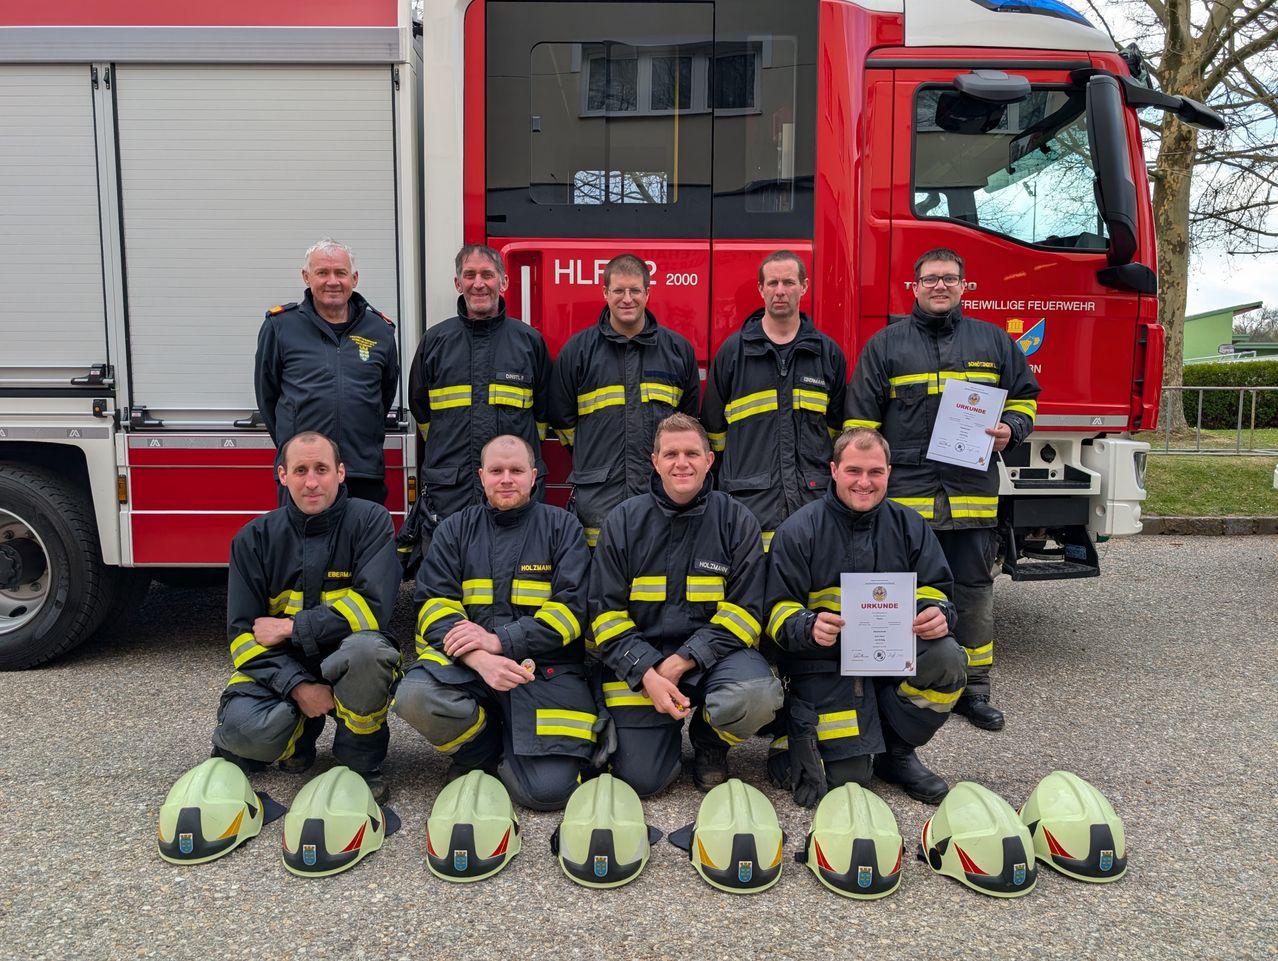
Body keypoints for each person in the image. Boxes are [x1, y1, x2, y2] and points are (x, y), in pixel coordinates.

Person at [844, 247, 1040, 731]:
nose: (940, 286)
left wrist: (1011, 429)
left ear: (963, 286)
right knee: (892, 590)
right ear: (914, 286)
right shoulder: (885, 346)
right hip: (905, 500)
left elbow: (1026, 398)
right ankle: (886, 682)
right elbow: (861, 426)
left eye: (949, 279)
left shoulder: (993, 342)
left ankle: (973, 691)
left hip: (970, 493)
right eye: (930, 278)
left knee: (973, 589)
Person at [765, 428, 969, 805]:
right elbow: (775, 611)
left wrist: (937, 612)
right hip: (824, 665)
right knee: (849, 779)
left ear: (889, 472)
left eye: (875, 472)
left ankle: (898, 752)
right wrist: (808, 626)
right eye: (854, 471)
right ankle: (795, 728)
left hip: (892, 660)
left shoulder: (910, 526)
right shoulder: (799, 530)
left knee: (947, 658)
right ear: (834, 470)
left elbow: (937, 588)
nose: (864, 482)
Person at [393, 435, 594, 811]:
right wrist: (480, 658)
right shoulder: (454, 530)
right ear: (481, 475)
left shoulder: (563, 527)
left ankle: (518, 746)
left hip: (543, 671)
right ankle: (479, 751)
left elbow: (571, 611)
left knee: (547, 793)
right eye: (497, 471)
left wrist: (499, 642)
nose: (506, 479)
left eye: (516, 470)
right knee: (414, 697)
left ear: (534, 476)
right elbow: (433, 605)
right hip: (469, 669)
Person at [588, 413, 783, 796]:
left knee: (758, 694)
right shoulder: (623, 522)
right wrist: (647, 672)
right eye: (671, 453)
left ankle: (710, 743)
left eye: (692, 453)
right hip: (642, 661)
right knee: (644, 781)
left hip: (714, 659)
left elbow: (745, 614)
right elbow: (605, 615)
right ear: (655, 461)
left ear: (709, 461)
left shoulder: (736, 521)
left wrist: (681, 662)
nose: (682, 463)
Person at [211, 432, 402, 803]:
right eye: (300, 470)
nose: (311, 481)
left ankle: (359, 761)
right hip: (285, 666)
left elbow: (372, 609)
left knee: (369, 653)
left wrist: (290, 627)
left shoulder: (370, 522)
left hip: (347, 660)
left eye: (321, 469)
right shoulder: (253, 538)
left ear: (341, 473)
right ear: (282, 475)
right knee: (241, 734)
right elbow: (241, 637)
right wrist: (298, 687)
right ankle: (297, 734)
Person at [549, 253, 700, 547]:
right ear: (605, 293)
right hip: (598, 491)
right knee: (599, 572)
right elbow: (562, 420)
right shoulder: (578, 352)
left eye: (634, 290)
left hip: (659, 487)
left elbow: (688, 422)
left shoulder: (678, 351)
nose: (627, 299)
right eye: (618, 290)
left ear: (647, 292)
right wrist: (594, 455)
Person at [701, 250, 846, 551]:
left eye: (789, 282)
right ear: (761, 289)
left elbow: (835, 432)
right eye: (773, 283)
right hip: (748, 503)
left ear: (804, 286)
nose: (780, 291)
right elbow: (713, 434)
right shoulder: (733, 353)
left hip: (813, 500)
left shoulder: (827, 353)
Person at [406, 245, 552, 531]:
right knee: (447, 570)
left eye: (487, 274)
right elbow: (422, 412)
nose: (478, 283)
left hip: (512, 490)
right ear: (458, 283)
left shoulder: (529, 342)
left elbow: (545, 413)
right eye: (469, 275)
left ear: (504, 281)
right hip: (450, 490)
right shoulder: (435, 341)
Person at [255, 239, 399, 505]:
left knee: (362, 546)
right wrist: (295, 450)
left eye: (340, 273)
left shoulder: (380, 331)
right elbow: (268, 397)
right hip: (303, 475)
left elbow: (383, 395)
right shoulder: (280, 326)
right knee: (302, 547)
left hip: (362, 471)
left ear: (354, 278)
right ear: (306, 277)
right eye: (322, 273)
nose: (332, 281)